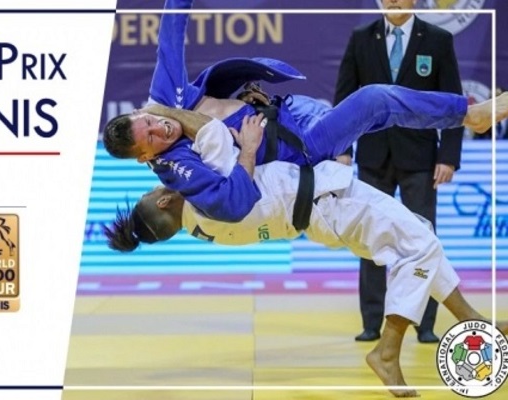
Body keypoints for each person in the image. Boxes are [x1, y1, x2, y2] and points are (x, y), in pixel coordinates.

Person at [103, 112, 507, 398]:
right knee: (419, 246)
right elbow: (207, 129)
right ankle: (387, 352)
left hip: (322, 214)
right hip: (329, 202)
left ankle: (471, 319)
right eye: (154, 190)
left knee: (420, 236)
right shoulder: (208, 199)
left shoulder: (201, 227)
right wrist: (241, 144)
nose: (161, 180)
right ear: (165, 199)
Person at [103, 0, 499, 229]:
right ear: (145, 157)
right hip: (305, 146)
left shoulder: (162, 99)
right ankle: (471, 114)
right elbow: (232, 205)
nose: (160, 127)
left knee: (383, 110)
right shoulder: (178, 167)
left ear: (141, 110)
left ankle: (466, 114)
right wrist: (247, 151)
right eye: (150, 138)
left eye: (149, 121)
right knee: (376, 100)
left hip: (292, 110)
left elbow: (171, 29)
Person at [334, 0, 465, 344]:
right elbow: (344, 99)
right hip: (373, 157)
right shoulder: (362, 38)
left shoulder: (437, 39)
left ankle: (425, 324)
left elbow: (453, 100)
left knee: (423, 241)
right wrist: (342, 149)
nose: (393, 0)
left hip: (421, 158)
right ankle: (371, 322)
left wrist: (449, 156)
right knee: (370, 240)